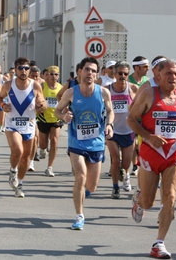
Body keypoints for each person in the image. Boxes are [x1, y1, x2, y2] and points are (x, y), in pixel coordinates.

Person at [127, 59, 176, 258]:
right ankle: (140, 200)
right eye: (169, 73)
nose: (173, 77)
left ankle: (159, 243)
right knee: (149, 202)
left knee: (170, 197)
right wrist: (148, 137)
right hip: (151, 154)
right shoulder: (149, 94)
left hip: (174, 155)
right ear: (158, 76)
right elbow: (131, 119)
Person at [54, 56, 114, 230]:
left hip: (96, 142)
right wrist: (64, 116)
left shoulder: (103, 93)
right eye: (87, 69)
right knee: (80, 176)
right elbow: (57, 110)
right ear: (80, 72)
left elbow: (110, 112)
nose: (90, 73)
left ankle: (81, 193)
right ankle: (79, 215)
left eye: (94, 70)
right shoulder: (71, 93)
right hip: (77, 141)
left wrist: (109, 124)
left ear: (97, 74)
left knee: (92, 185)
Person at [0, 57, 47, 198]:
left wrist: (41, 105)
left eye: (26, 68)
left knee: (25, 158)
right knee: (18, 150)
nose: (24, 71)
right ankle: (13, 170)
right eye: (20, 68)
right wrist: (2, 105)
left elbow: (43, 102)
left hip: (29, 125)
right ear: (15, 70)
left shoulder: (35, 85)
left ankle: (20, 184)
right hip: (12, 124)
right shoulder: (8, 85)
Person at [106, 61, 137, 198]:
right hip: (112, 130)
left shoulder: (133, 89)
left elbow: (139, 108)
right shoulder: (107, 89)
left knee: (125, 163)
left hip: (128, 131)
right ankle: (115, 187)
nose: (122, 76)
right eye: (120, 73)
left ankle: (126, 175)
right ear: (114, 74)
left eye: (125, 74)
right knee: (115, 159)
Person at [37, 65, 64, 177]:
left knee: (54, 141)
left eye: (56, 74)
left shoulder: (61, 88)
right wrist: (38, 106)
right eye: (51, 74)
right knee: (43, 144)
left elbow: (65, 101)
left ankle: (49, 167)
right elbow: (35, 98)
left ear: (58, 76)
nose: (53, 76)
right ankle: (42, 150)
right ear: (47, 75)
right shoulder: (42, 86)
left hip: (56, 118)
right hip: (43, 118)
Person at [129, 56, 150, 176]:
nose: (148, 69)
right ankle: (134, 165)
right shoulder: (128, 80)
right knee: (133, 144)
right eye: (145, 67)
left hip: (144, 118)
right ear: (137, 68)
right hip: (132, 117)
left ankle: (140, 163)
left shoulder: (148, 82)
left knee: (141, 144)